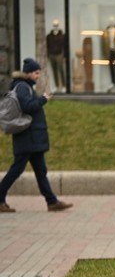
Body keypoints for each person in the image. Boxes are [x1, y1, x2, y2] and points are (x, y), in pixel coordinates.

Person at [0, 59, 72, 213]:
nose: (38, 76)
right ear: (29, 73)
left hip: (32, 138)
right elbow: (28, 107)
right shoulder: (22, 87)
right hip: (27, 137)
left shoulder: (25, 87)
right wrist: (43, 99)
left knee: (41, 171)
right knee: (16, 170)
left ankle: (52, 202)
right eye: (36, 73)